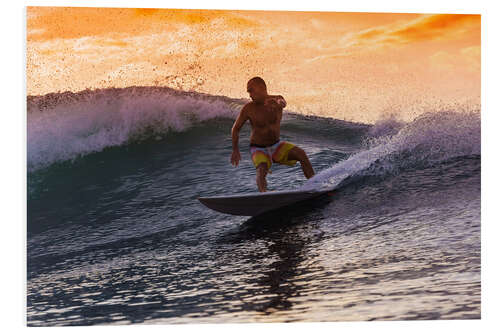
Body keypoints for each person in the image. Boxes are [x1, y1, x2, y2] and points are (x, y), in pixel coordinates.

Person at [230, 76, 315, 192]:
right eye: (248, 91)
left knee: (301, 154)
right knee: (261, 169)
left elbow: (283, 103)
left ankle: (315, 185)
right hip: (258, 148)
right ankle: (264, 195)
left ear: (262, 88)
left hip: (276, 145)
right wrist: (235, 149)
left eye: (251, 90)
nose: (249, 95)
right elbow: (235, 129)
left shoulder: (277, 99)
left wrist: (278, 104)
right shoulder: (248, 108)